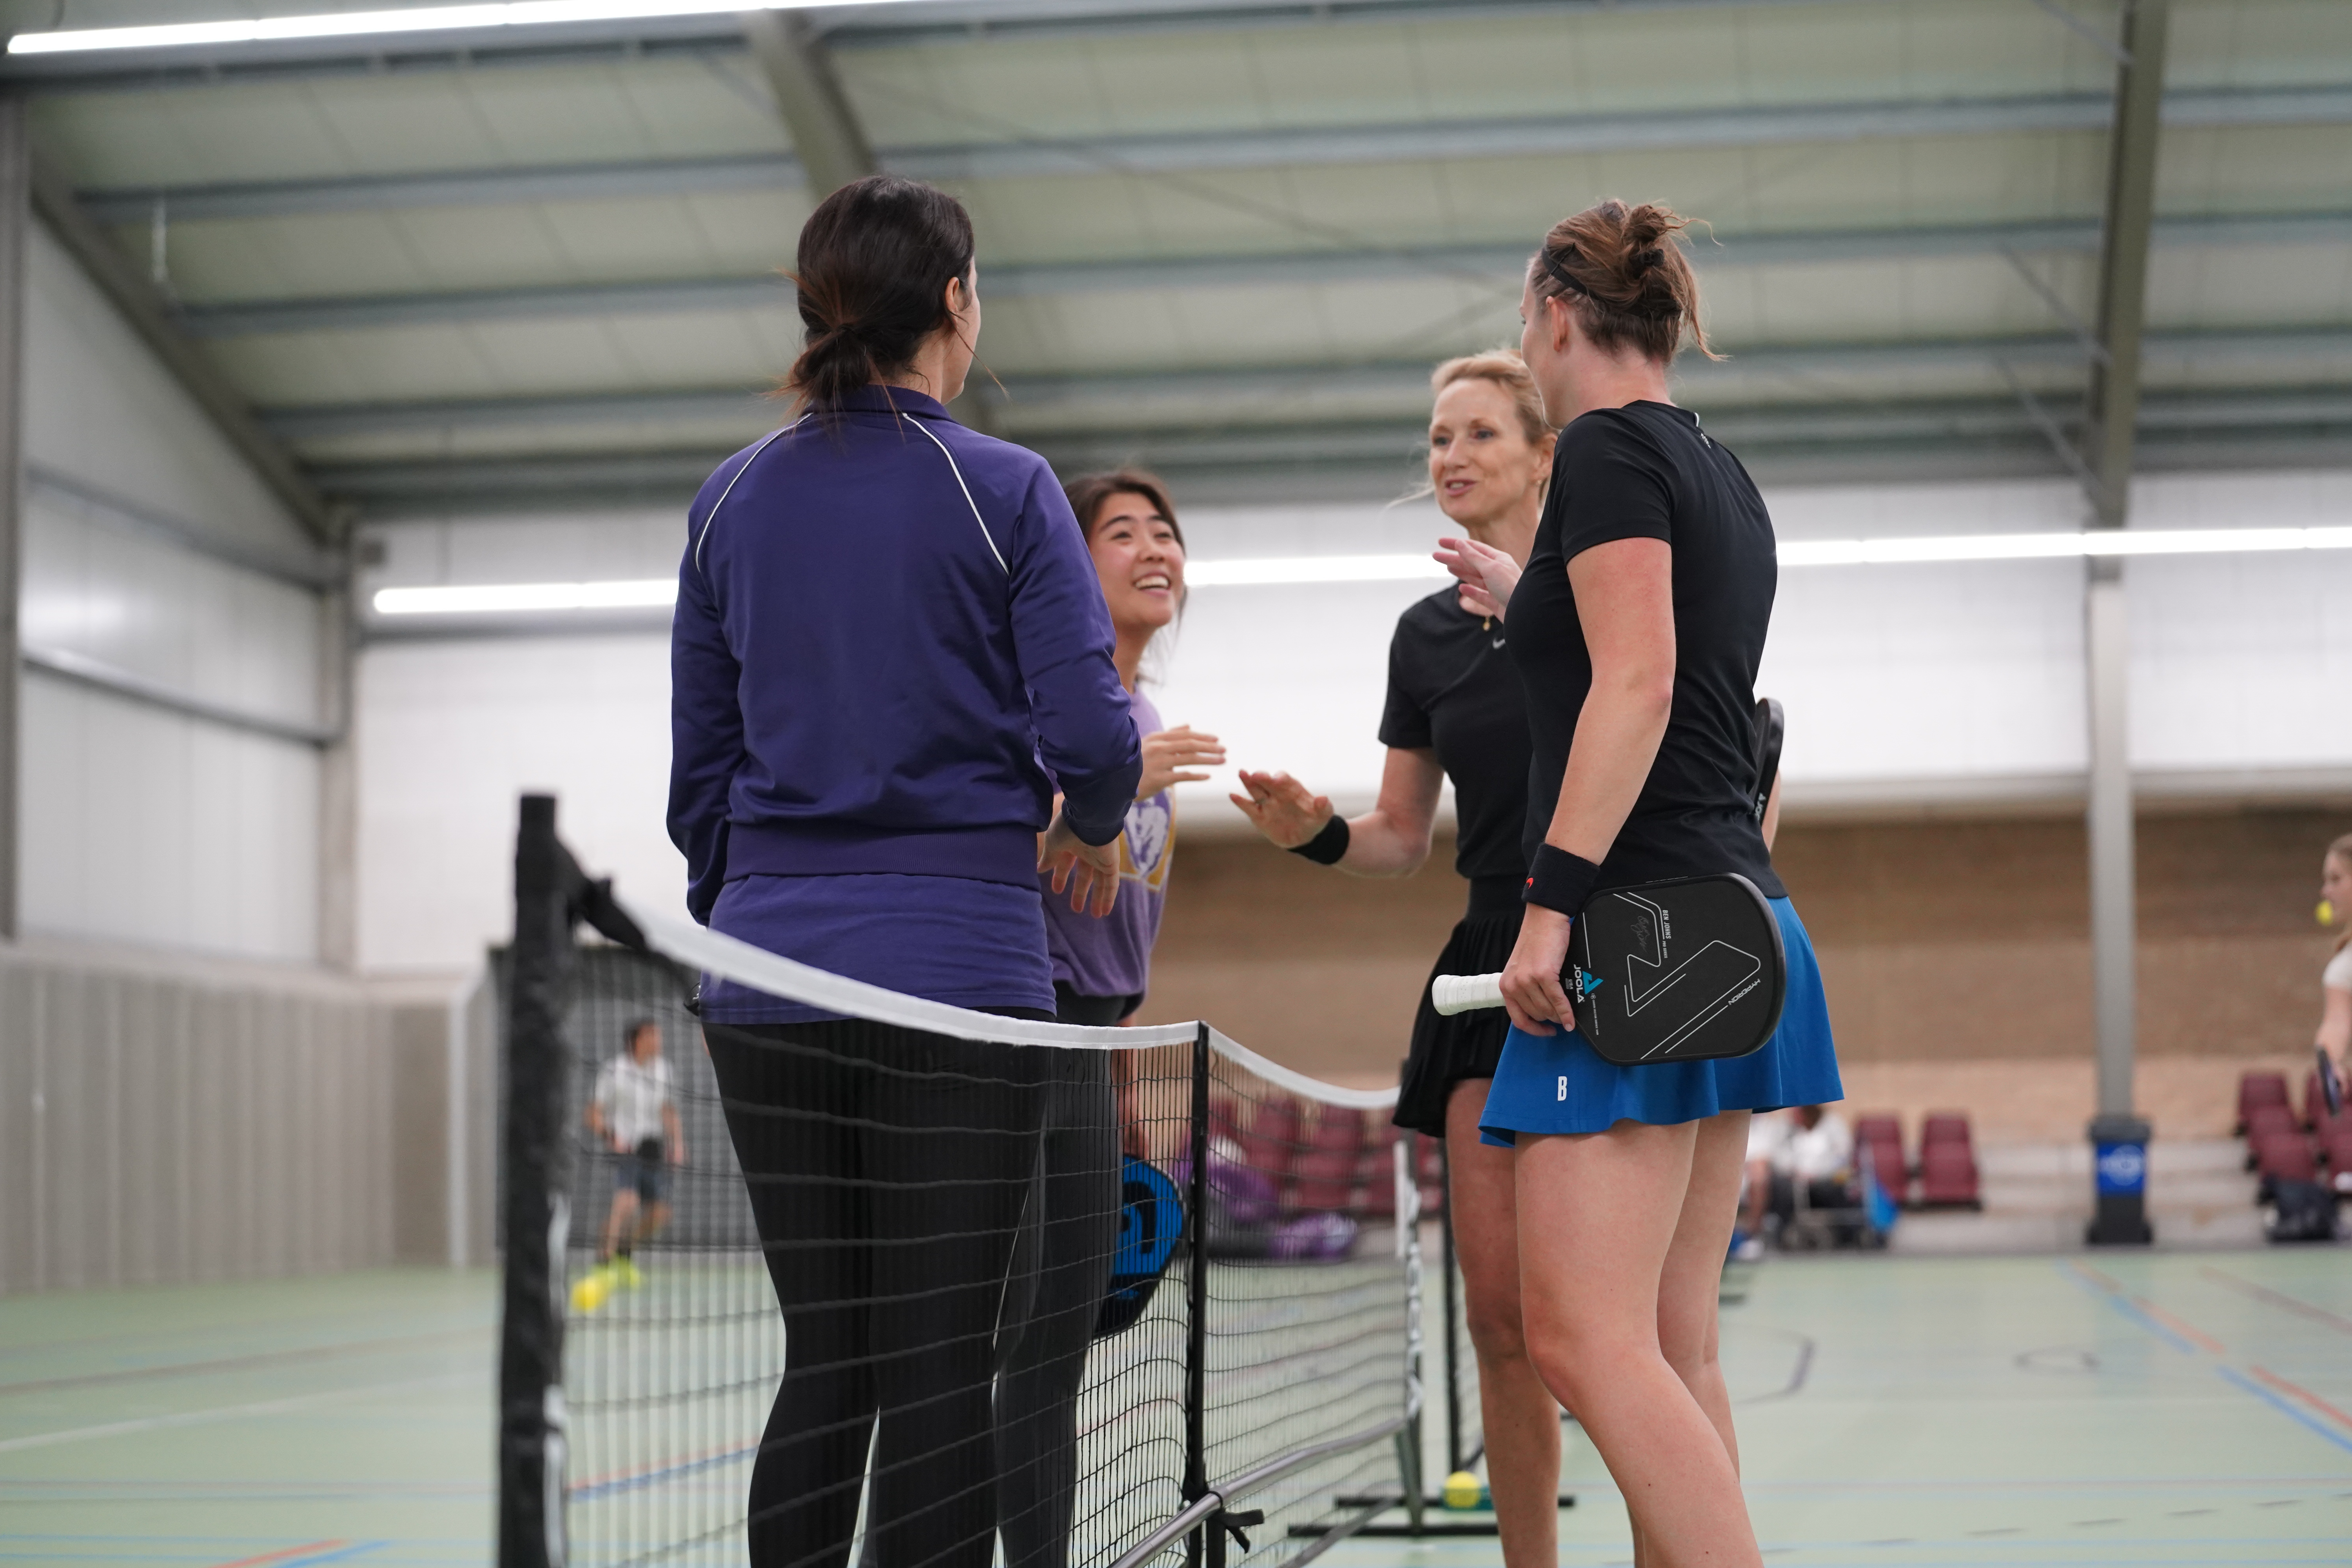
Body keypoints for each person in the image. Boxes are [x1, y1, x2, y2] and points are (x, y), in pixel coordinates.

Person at [667, 174, 1141, 1568]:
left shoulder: (728, 496)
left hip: (763, 973)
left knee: (829, 1358)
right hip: (960, 985)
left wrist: (752, 915)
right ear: (954, 301)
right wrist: (1090, 816)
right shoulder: (1004, 485)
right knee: (941, 1364)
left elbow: (701, 776)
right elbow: (1090, 735)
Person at [1465, 199, 1843, 1568]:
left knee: (1579, 1334)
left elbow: (1640, 683)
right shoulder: (1713, 467)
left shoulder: (1610, 454)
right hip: (1734, 912)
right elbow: (1655, 671)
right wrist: (1533, 599)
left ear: (1556, 315)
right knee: (1674, 1344)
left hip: (1648, 924)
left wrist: (1550, 907)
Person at [1229, 351, 1564, 1567]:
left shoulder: (1592, 592)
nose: (1451, 457)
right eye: (1435, 439)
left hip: (1601, 954)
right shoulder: (1421, 637)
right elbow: (1399, 837)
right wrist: (1314, 834)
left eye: (1479, 433)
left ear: (1540, 451)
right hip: (1482, 966)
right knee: (1501, 1321)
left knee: (1606, 1327)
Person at [995, 471, 1218, 1568]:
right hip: (1027, 1029)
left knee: (1062, 1333)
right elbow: (997, 826)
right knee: (1027, 1335)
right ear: (1067, 564)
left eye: (1165, 532)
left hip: (1099, 1033)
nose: (1154, 549)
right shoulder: (1050, 696)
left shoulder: (1140, 714)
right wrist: (1096, 792)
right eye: (1121, 532)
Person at [580, 1018, 682, 1297]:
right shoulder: (614, 1071)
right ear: (637, 1040)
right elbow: (593, 1114)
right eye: (653, 1036)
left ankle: (624, 1254)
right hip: (625, 1148)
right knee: (626, 1202)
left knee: (660, 1214)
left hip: (654, 1149)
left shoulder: (664, 1071)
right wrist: (612, 1137)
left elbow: (668, 1111)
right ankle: (604, 1263)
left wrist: (678, 1144)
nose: (659, 1042)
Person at [2315, 833, 2351, 1085]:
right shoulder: (2343, 968)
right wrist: (2331, 1065)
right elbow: (2337, 1022)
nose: (2325, 891)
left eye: (2336, 879)